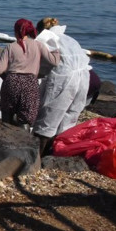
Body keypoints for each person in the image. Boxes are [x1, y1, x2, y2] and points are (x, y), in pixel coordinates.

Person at [32, 17, 92, 153]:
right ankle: (61, 150)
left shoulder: (47, 40)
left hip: (64, 79)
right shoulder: (70, 39)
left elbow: (43, 65)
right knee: (71, 114)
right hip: (83, 77)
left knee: (50, 114)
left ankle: (39, 154)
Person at [0, 18, 60, 128]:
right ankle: (24, 139)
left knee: (7, 116)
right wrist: (55, 47)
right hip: (30, 83)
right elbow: (54, 61)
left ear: (16, 31)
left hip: (11, 82)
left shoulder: (11, 46)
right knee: (26, 119)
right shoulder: (38, 45)